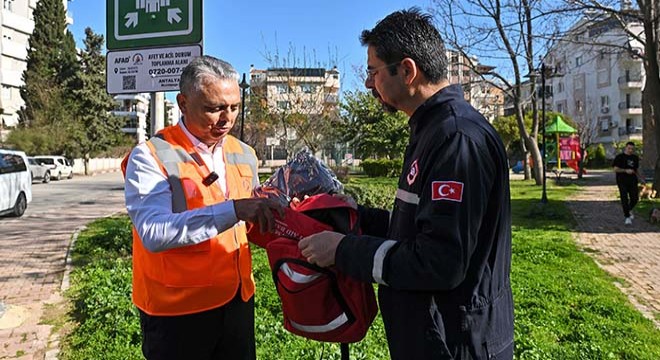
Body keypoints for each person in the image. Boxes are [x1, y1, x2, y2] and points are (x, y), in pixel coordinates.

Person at [298, 8, 513, 360]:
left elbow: (440, 261)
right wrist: (353, 214)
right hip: (433, 336)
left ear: (408, 70)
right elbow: (418, 229)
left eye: (373, 71)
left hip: (456, 344)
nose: (368, 83)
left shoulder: (456, 138)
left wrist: (342, 250)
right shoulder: (431, 129)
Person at [123, 55, 283, 360]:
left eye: (234, 107)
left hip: (237, 302)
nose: (227, 119)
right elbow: (154, 232)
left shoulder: (244, 153)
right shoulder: (151, 156)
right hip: (177, 312)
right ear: (183, 103)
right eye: (214, 108)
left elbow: (249, 224)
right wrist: (234, 210)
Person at [612, 141, 644, 225]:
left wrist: (641, 178)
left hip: (633, 180)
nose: (630, 150)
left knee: (635, 198)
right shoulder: (620, 157)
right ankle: (627, 217)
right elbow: (615, 169)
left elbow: (636, 169)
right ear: (625, 148)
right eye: (629, 148)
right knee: (624, 198)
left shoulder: (635, 158)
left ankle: (629, 210)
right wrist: (625, 170)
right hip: (622, 180)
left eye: (632, 149)